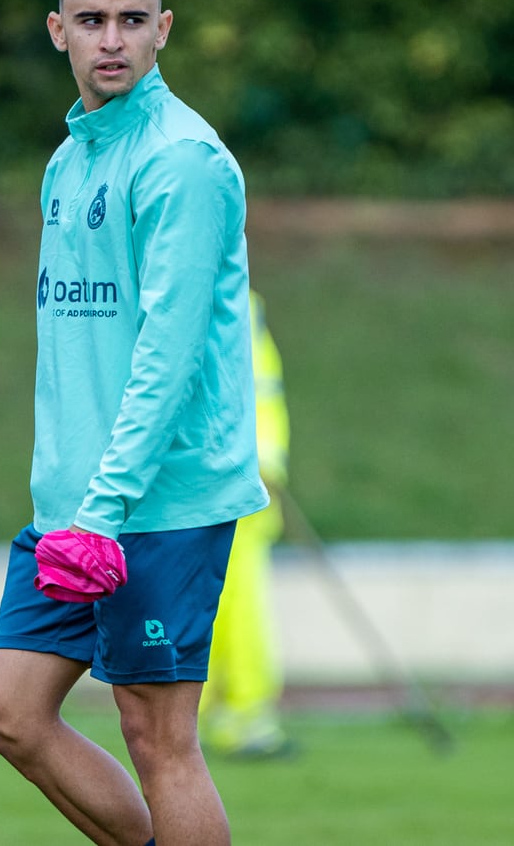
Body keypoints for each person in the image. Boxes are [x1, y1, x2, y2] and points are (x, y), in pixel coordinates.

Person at [0, 0, 268, 846]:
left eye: (132, 21)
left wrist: (106, 508)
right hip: (73, 504)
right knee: (12, 714)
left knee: (159, 738)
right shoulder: (69, 162)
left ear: (163, 30)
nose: (113, 40)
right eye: (93, 21)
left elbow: (167, 362)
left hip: (156, 503)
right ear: (57, 28)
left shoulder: (182, 162)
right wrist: (72, 500)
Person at [199, 290, 293, 759]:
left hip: (231, 482)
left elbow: (257, 390)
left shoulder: (229, 301)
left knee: (228, 608)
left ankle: (232, 716)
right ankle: (237, 717)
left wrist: (267, 462)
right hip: (226, 481)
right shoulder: (235, 300)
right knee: (231, 609)